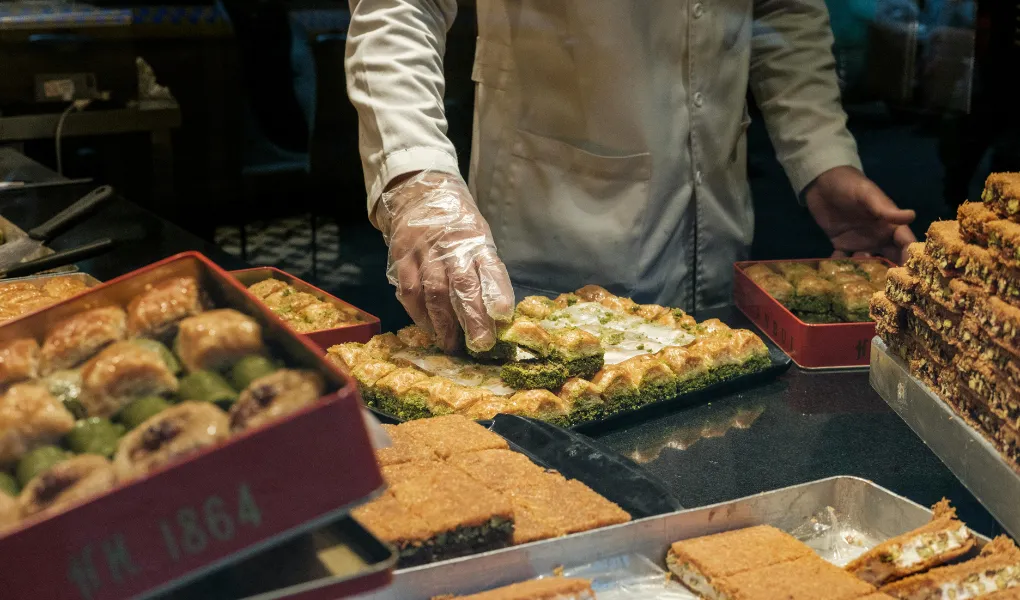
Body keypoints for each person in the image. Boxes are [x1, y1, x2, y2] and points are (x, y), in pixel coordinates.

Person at [345, 0, 917, 354]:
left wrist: (820, 154)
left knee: (710, 439)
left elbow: (780, 8)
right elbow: (401, 7)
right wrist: (417, 179)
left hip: (719, 233)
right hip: (554, 225)